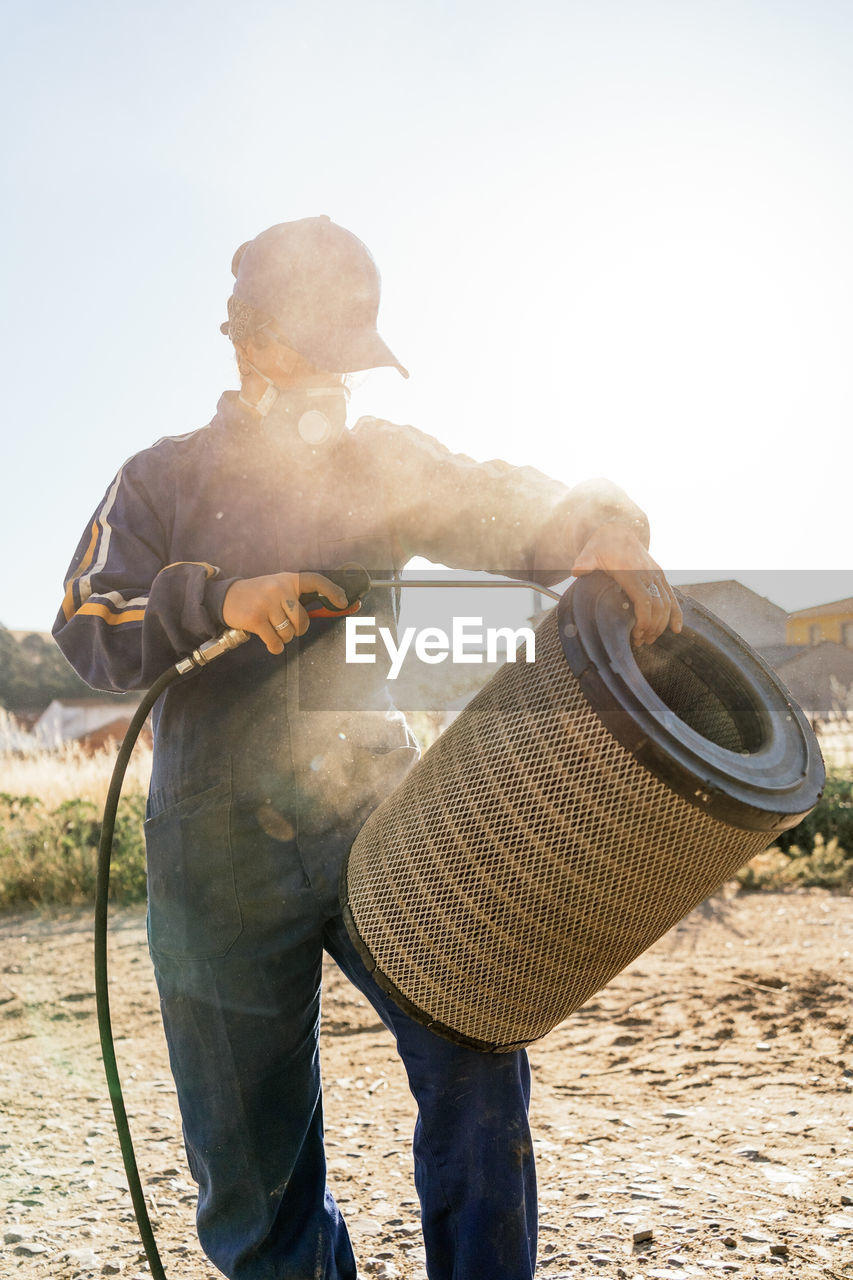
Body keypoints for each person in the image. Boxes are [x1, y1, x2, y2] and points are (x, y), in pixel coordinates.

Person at [54, 215, 682, 1280]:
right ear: (249, 340)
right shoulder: (155, 478)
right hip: (213, 855)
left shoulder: (386, 460)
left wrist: (600, 526)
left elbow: (509, 501)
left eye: (354, 360)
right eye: (320, 354)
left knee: (479, 1054)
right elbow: (86, 621)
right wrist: (215, 598)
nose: (337, 385)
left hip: (379, 815)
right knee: (252, 1173)